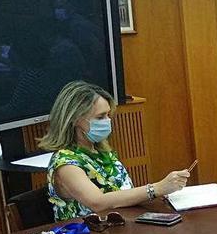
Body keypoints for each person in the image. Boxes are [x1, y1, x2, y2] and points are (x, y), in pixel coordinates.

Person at [38, 80, 190, 221]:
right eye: (100, 117)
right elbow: (97, 203)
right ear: (75, 119)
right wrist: (156, 188)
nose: (107, 121)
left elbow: (121, 193)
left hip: (119, 230)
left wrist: (162, 192)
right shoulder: (66, 164)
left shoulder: (100, 150)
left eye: (108, 115)